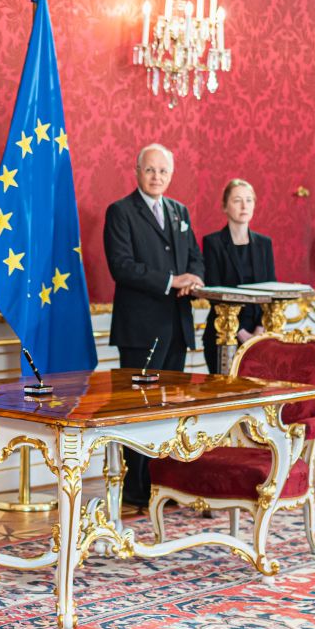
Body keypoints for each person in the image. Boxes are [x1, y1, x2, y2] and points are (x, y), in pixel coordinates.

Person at [104, 143, 204, 504]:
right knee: (138, 410)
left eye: (163, 171)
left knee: (169, 410)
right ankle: (137, 489)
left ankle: (165, 485)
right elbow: (122, 266)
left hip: (177, 326)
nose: (157, 177)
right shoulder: (120, 212)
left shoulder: (180, 211)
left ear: (170, 175)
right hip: (139, 330)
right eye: (150, 170)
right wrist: (170, 281)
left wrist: (193, 279)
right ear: (136, 171)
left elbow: (195, 258)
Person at [200, 178, 276, 375]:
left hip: (260, 334)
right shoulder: (213, 243)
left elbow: (271, 290)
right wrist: (241, 333)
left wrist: (258, 331)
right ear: (225, 206)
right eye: (237, 200)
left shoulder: (264, 244)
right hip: (223, 332)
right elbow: (213, 291)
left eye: (249, 200)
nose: (244, 206)